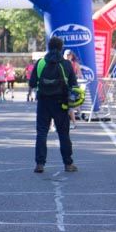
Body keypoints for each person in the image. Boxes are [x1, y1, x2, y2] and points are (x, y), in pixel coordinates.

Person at [29, 37, 79, 174]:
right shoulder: (66, 64)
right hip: (61, 103)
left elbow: (32, 83)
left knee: (42, 133)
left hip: (43, 102)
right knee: (63, 134)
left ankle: (40, 164)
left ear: (49, 47)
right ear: (61, 48)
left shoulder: (40, 63)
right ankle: (68, 164)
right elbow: (74, 85)